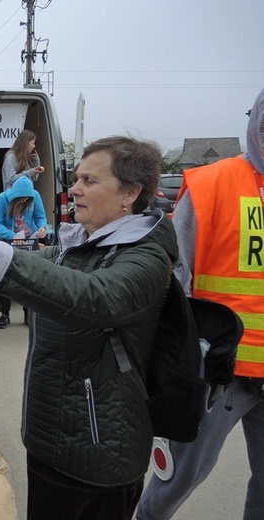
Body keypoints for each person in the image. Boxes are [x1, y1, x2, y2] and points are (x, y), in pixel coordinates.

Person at [0, 136, 177, 520]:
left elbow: (89, 297)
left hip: (96, 457)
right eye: (77, 178)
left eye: (90, 181)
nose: (75, 189)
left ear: (131, 192)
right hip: (53, 443)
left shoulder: (146, 255)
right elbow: (28, 262)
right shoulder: (82, 245)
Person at [136, 88, 264, 520]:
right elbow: (174, 275)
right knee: (180, 478)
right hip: (222, 371)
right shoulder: (213, 184)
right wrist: (176, 359)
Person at [0, 176, 48, 329]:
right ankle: (4, 314)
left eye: (27, 198)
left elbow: (41, 217)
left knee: (29, 279)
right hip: (9, 242)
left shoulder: (35, 196)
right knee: (4, 277)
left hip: (30, 241)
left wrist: (43, 228)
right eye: (21, 198)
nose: (24, 201)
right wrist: (12, 236)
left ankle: (27, 313)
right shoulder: (2, 199)